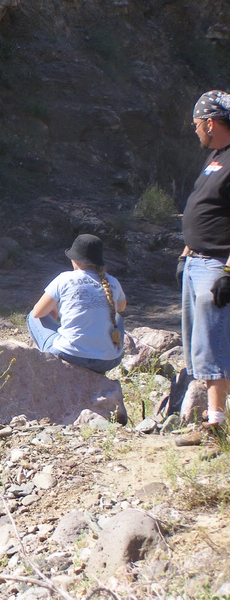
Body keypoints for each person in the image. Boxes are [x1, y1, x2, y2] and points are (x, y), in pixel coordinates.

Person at [175, 90, 230, 447]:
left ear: (210, 123)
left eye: (196, 124)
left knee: (214, 344)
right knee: (199, 345)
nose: (195, 130)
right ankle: (213, 418)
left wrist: (228, 272)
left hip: (216, 264)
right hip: (197, 260)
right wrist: (185, 253)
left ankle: (216, 425)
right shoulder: (216, 157)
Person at [26, 234, 126, 374]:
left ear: (74, 260)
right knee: (118, 318)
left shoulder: (64, 278)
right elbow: (121, 308)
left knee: (32, 316)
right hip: (109, 360)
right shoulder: (113, 282)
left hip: (69, 354)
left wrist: (54, 307)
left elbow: (38, 313)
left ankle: (49, 365)